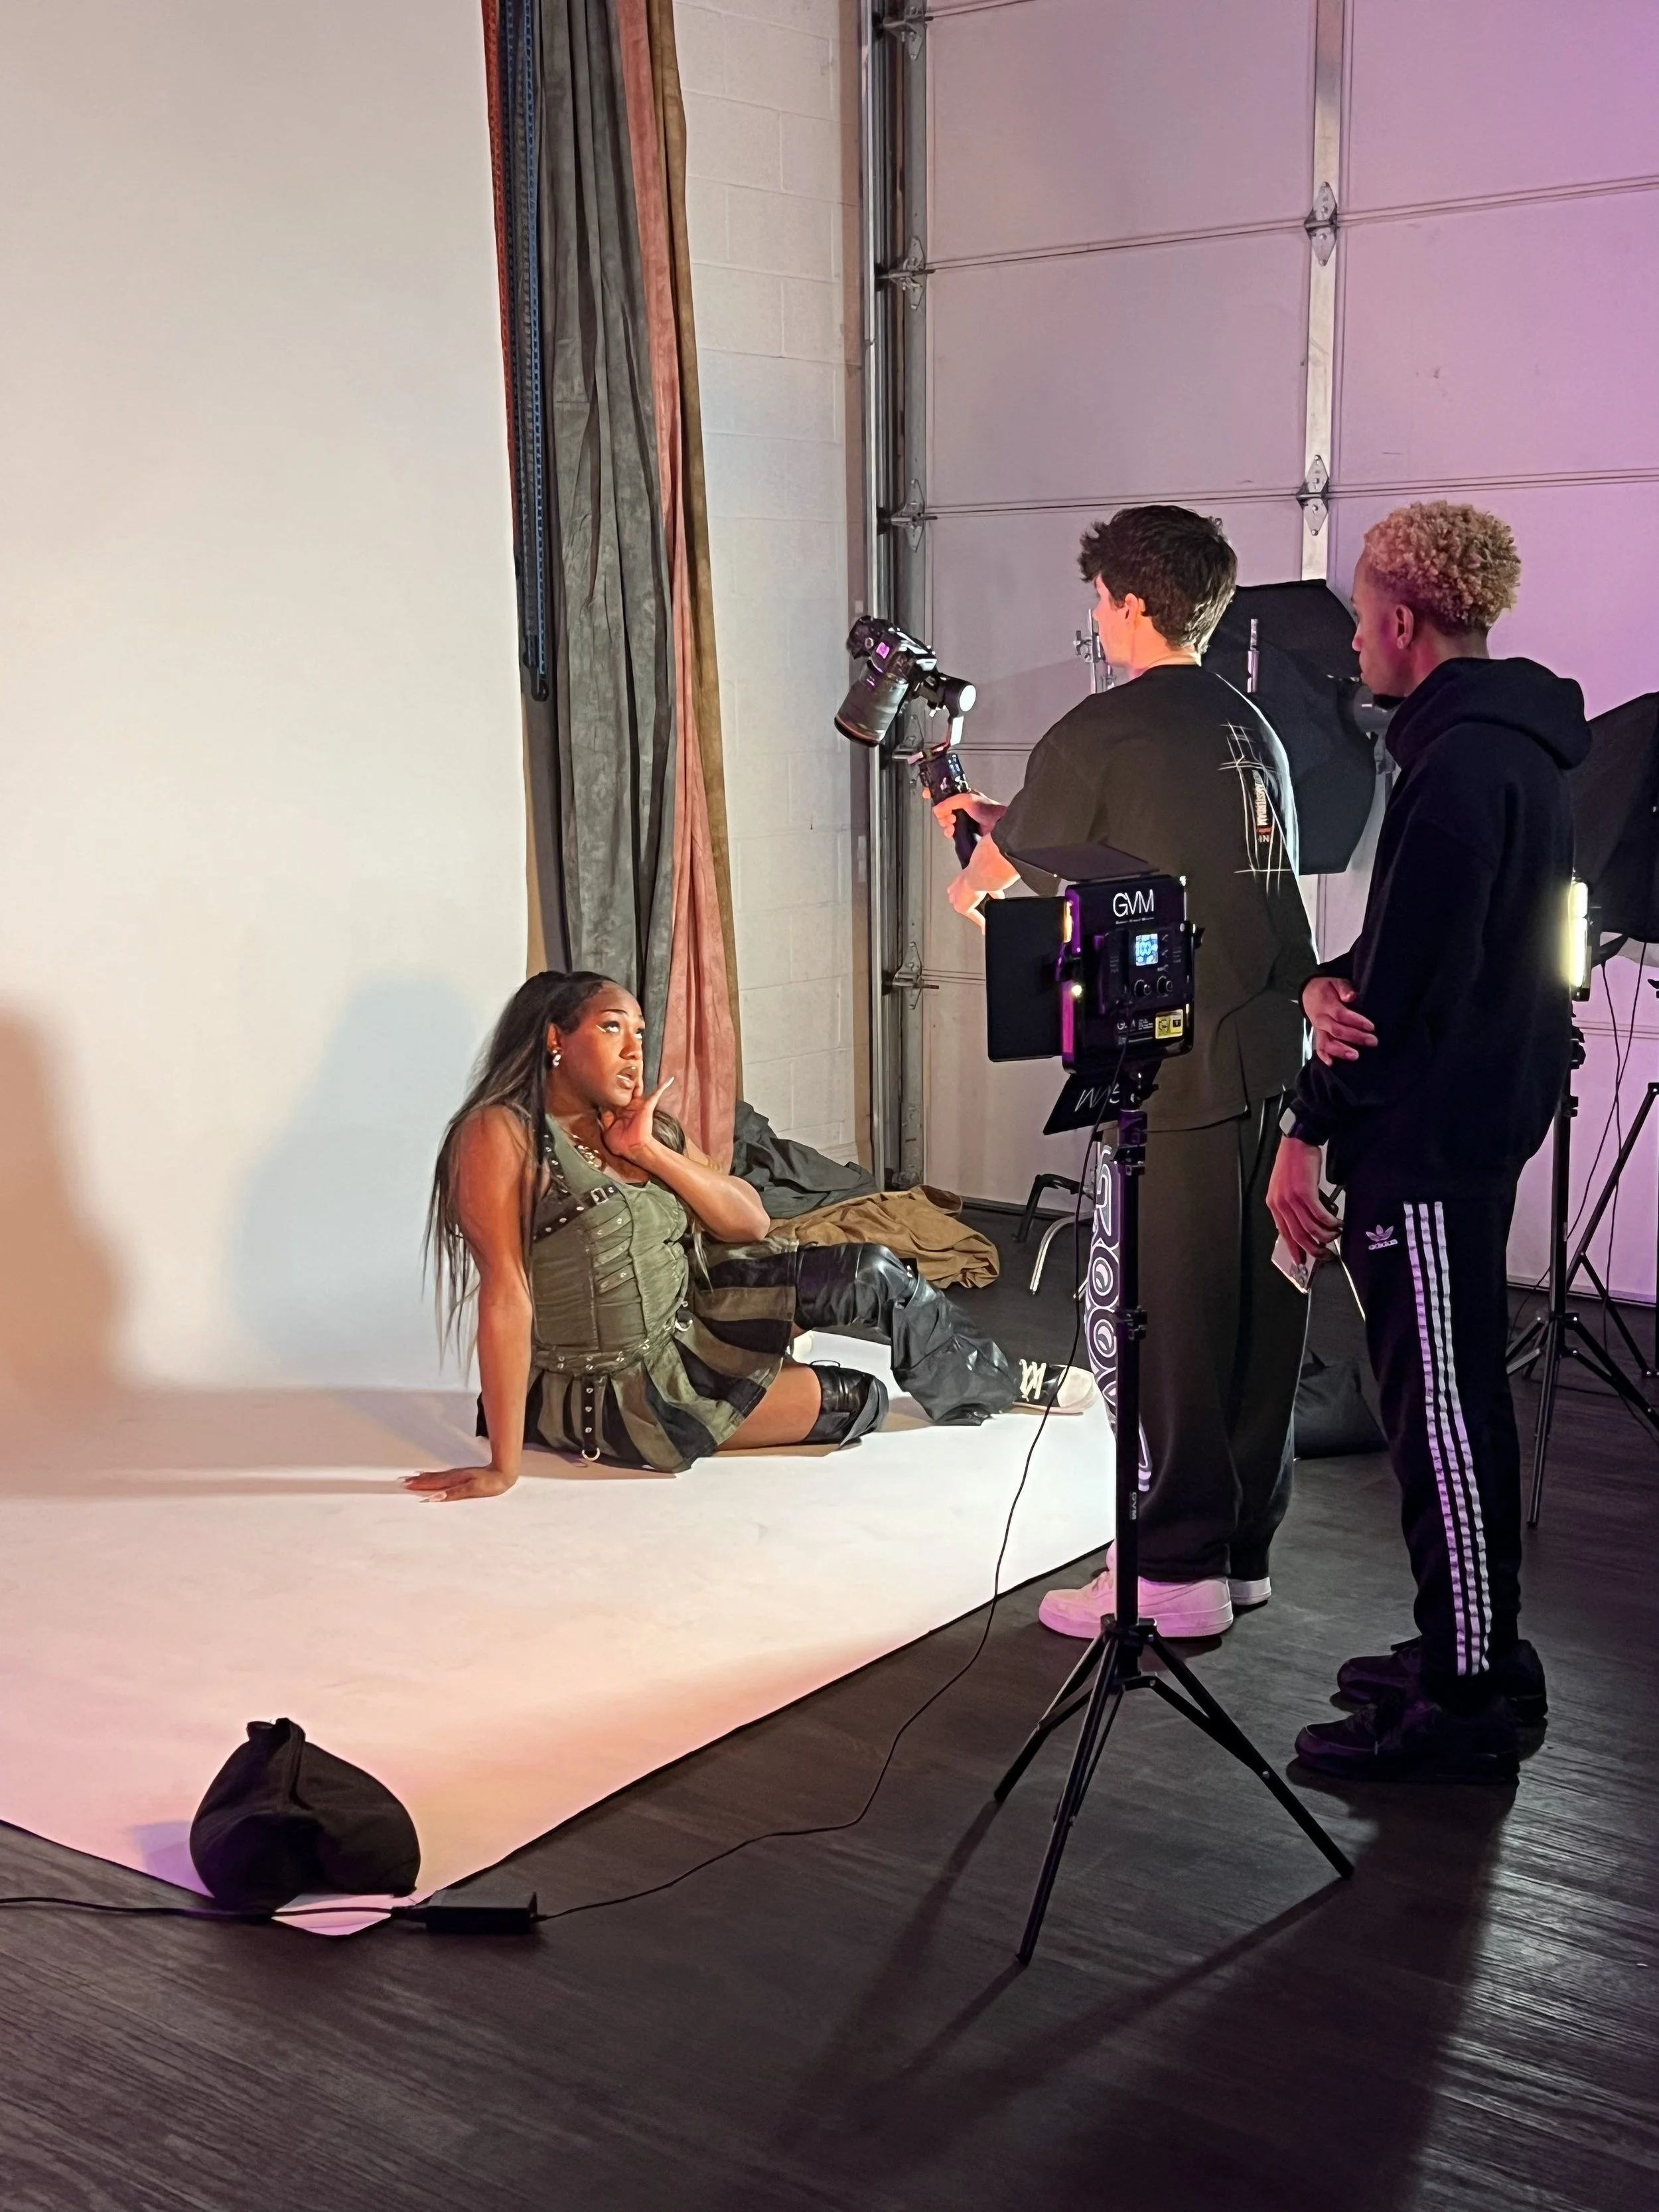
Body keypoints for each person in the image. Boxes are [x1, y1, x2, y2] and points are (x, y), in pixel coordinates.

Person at [938, 505, 1319, 1639]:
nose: (1095, 619)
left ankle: (1175, 1569)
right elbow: (1160, 848)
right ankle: (1239, 1547)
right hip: (1273, 1055)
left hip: (1182, 1066)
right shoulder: (1249, 723)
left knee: (1172, 1317)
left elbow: (992, 891)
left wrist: (978, 854)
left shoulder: (1102, 727)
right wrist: (1020, 825)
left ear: (1134, 603)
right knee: (1259, 1307)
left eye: (1101, 599)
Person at [1268, 500, 1585, 1784]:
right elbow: (1456, 950)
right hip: (1476, 1116)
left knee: (1442, 1415)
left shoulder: (1457, 766)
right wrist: (1320, 989)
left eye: (1359, 615)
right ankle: (1472, 1644)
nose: (1354, 640)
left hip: (1431, 1142)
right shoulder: (1519, 748)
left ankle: (1465, 1693)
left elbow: (1397, 991)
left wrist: (1306, 1127)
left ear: (1401, 618)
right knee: (1447, 1405)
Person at [407, 971, 1086, 1499]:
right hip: (622, 1390)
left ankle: (992, 1377)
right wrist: (501, 1465)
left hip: (689, 1321)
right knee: (862, 1399)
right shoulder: (501, 1134)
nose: (635, 1049)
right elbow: (504, 1293)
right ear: (557, 1039)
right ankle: (755, 1372)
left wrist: (651, 1153)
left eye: (640, 1033)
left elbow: (749, 1221)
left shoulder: (643, 1127)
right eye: (613, 1029)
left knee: (872, 1271)